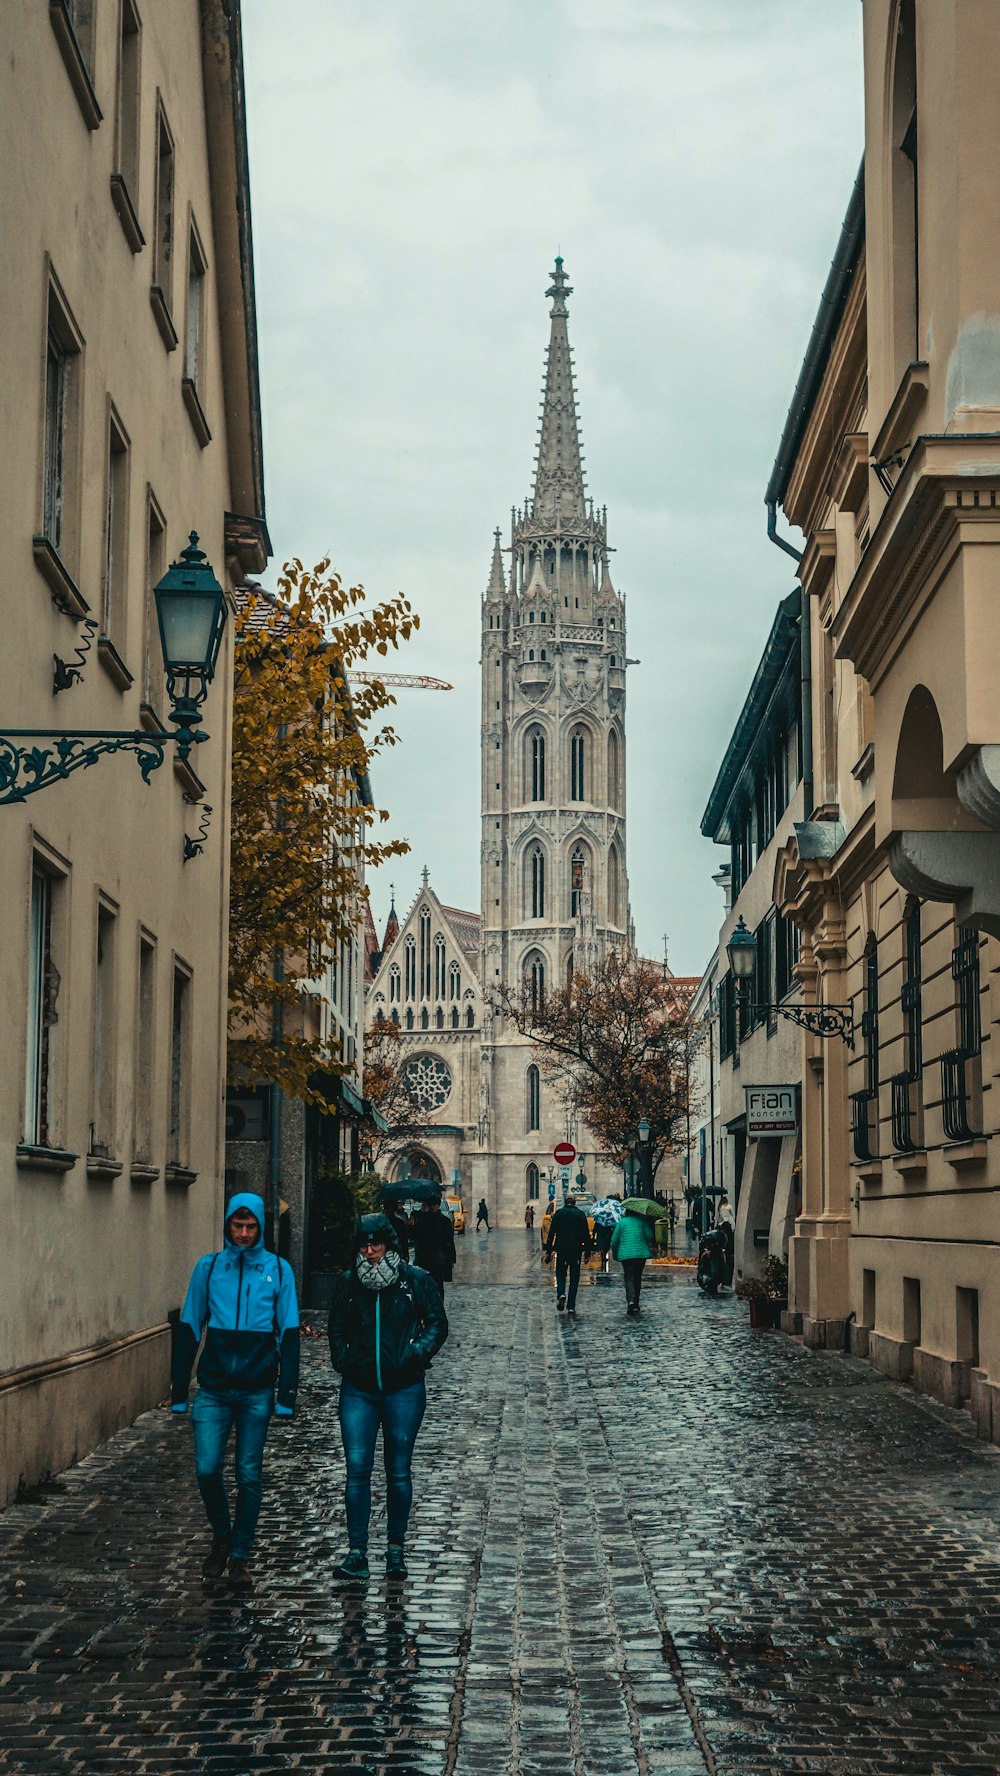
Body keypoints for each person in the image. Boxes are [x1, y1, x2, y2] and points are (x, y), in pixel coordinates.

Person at [171, 1191, 300, 1589]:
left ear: (260, 1228)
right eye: (237, 1226)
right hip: (213, 1388)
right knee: (207, 1469)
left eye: (250, 1227)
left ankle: (240, 1554)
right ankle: (222, 1534)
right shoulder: (209, 1269)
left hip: (256, 1390)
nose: (243, 1233)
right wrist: (178, 1390)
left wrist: (286, 1395)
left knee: (248, 1474)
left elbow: (291, 1332)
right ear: (227, 1225)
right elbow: (191, 1326)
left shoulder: (278, 1271)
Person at [328, 1213, 448, 1581]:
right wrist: (344, 1358)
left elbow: (437, 1324)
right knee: (357, 1469)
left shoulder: (415, 1281)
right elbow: (336, 1328)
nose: (370, 1252)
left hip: (403, 1388)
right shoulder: (350, 1283)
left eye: (376, 1244)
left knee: (398, 1472)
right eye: (364, 1245)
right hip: (358, 1389)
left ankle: (395, 1550)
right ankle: (357, 1552)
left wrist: (416, 1353)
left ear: (390, 1245)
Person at [543, 1192, 593, 1316]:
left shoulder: (559, 1214)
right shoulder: (580, 1214)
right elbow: (586, 1235)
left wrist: (549, 1251)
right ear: (574, 1202)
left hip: (561, 1250)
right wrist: (587, 1252)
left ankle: (561, 1294)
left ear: (565, 1202)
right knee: (574, 1278)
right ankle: (571, 1306)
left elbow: (551, 1234)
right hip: (576, 1250)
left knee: (560, 1274)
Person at [410, 1191, 457, 1296]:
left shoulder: (443, 1221)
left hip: (437, 1260)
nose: (428, 1207)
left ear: (436, 1205)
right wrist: (412, 1225)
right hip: (424, 1259)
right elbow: (414, 1237)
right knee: (424, 1287)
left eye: (430, 1204)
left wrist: (452, 1259)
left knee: (437, 1287)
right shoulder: (421, 1220)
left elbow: (449, 1241)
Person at [611, 1209, 654, 1317]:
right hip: (640, 1254)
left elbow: (614, 1241)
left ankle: (630, 1300)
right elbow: (650, 1235)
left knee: (628, 1276)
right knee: (637, 1277)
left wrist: (615, 1254)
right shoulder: (641, 1221)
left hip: (626, 1255)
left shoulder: (622, 1222)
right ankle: (636, 1303)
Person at [717, 1192, 736, 1286]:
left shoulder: (720, 1208)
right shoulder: (729, 1206)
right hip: (729, 1223)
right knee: (730, 1238)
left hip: (723, 1224)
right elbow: (732, 1215)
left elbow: (719, 1218)